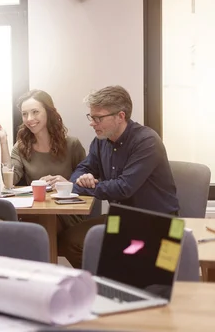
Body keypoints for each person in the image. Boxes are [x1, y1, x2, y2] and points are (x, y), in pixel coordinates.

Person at [58, 85, 179, 268]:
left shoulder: (146, 141)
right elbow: (82, 169)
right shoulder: (101, 142)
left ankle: (120, 282)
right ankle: (99, 286)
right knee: (70, 241)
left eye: (98, 118)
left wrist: (84, 187)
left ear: (120, 116)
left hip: (158, 222)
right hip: (119, 219)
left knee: (131, 261)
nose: (92, 123)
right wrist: (81, 179)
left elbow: (123, 188)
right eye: (91, 117)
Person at [0, 89, 86, 229]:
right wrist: (3, 141)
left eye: (35, 112)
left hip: (66, 212)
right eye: (24, 114)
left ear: (48, 112)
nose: (29, 119)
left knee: (35, 226)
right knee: (5, 223)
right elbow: (9, 181)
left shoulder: (72, 145)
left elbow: (87, 180)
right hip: (36, 210)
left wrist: (67, 184)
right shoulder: (21, 147)